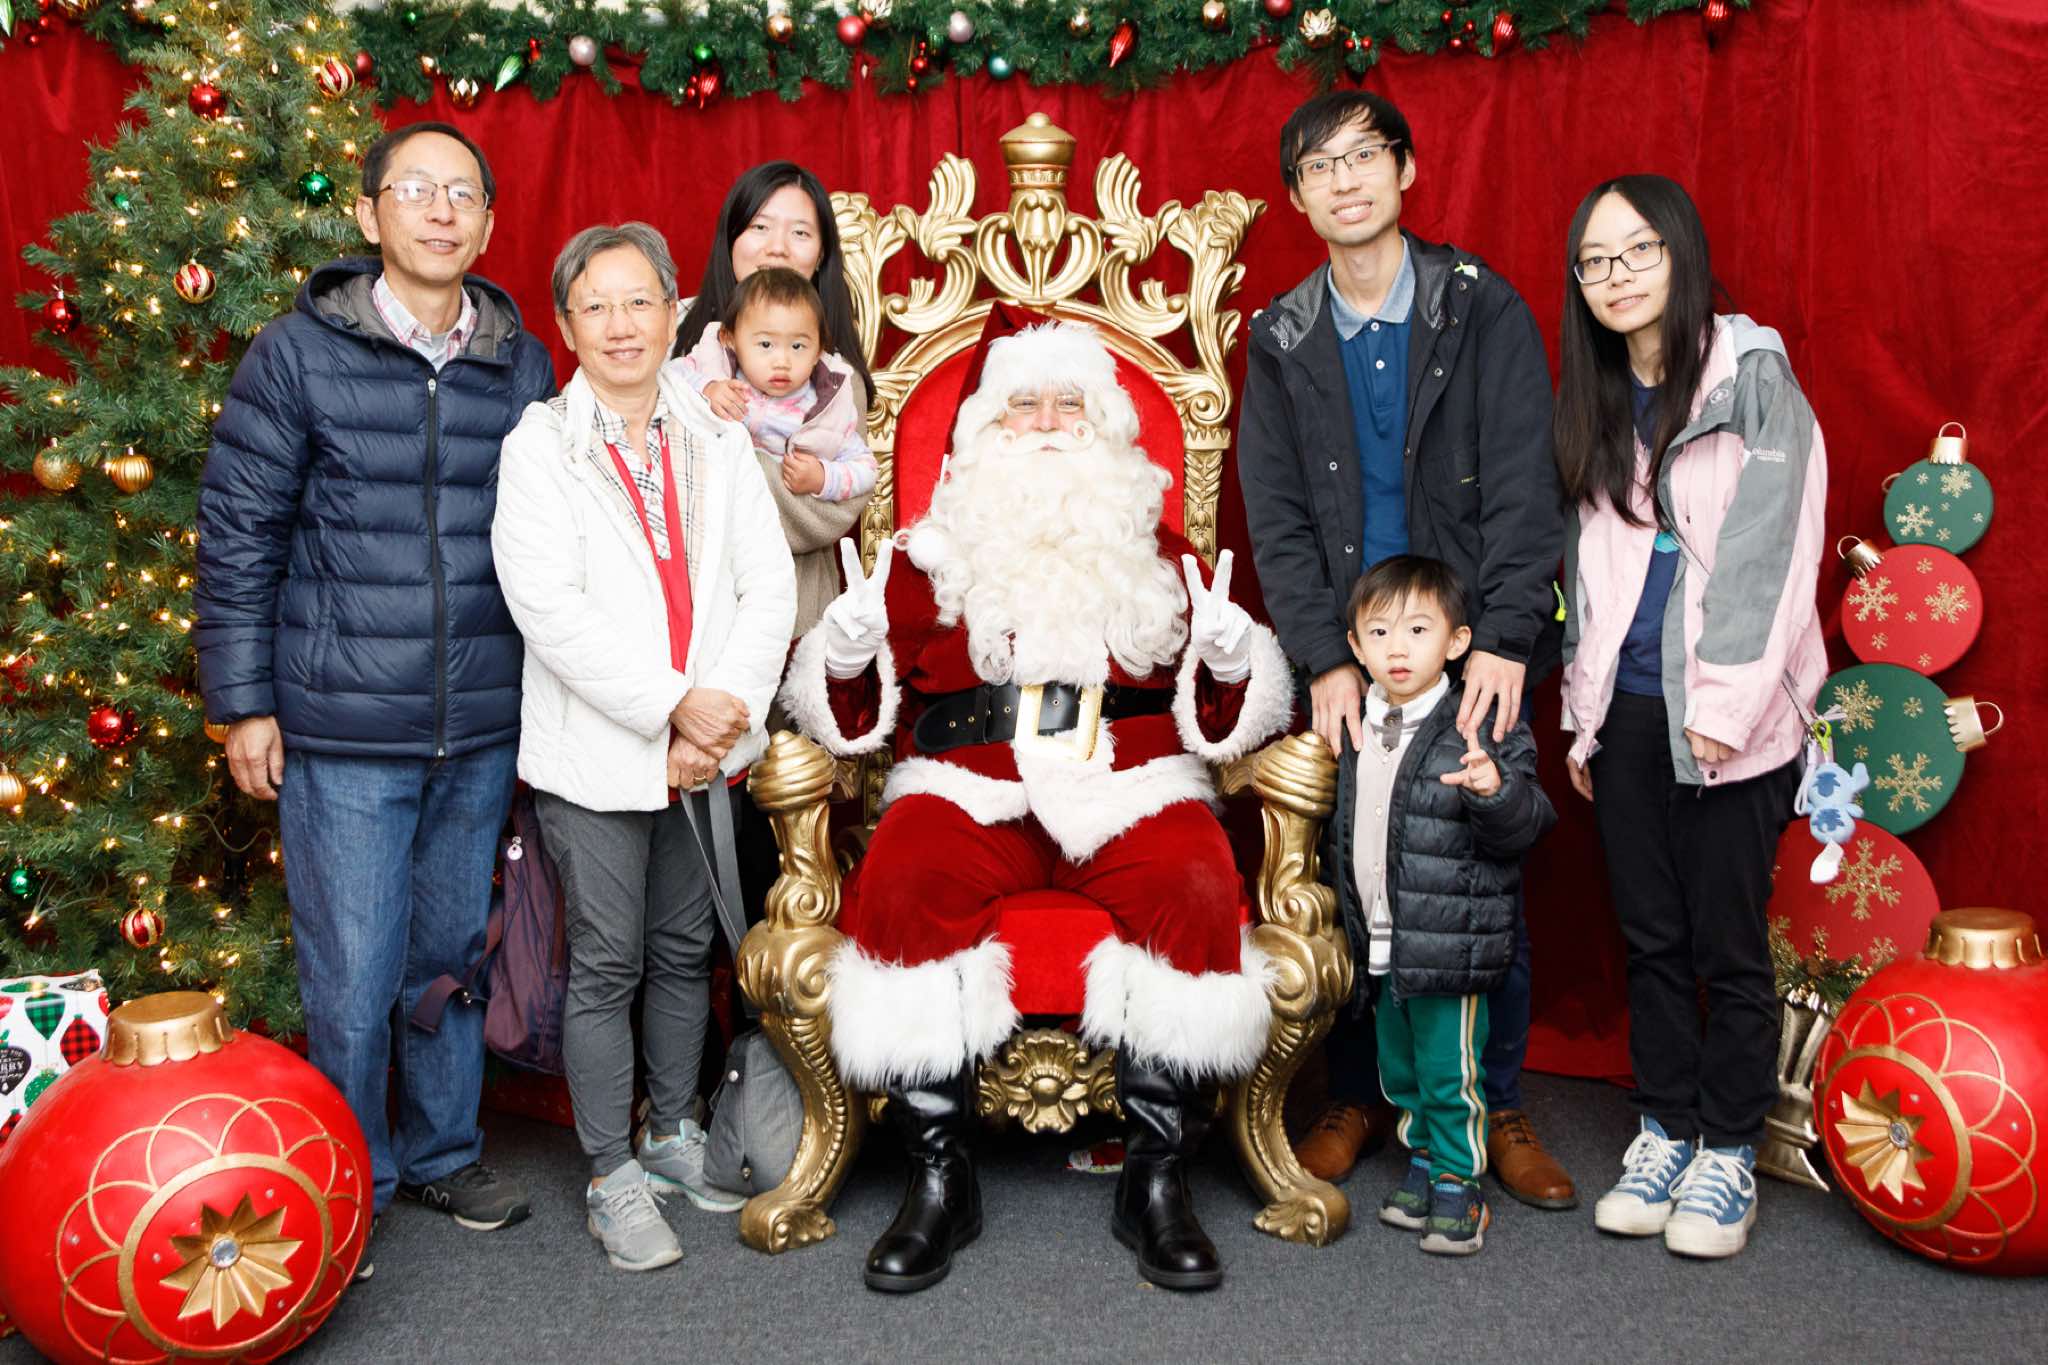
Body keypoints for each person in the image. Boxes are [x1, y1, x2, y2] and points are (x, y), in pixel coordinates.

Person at [779, 321, 1295, 1294]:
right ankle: (939, 1179)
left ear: (1106, 426)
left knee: (1195, 876)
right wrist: (842, 654)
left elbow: (1229, 720)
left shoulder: (1158, 549)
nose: (1049, 424)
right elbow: (847, 721)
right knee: (904, 873)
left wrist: (1231, 663)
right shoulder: (926, 554)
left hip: (1130, 784)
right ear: (987, 428)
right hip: (969, 786)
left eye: (1070, 405)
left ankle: (1155, 1178)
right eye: (1025, 404)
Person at [194, 122, 555, 1253]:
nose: (441, 211)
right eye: (416, 190)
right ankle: (348, 1184)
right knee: (351, 976)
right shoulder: (296, 355)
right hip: (344, 728)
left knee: (449, 961)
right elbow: (239, 532)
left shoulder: (520, 361)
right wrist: (244, 701)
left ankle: (444, 1153)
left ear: (487, 223)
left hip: (480, 723)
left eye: (463, 195)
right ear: (369, 214)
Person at [1235, 89, 1574, 1208]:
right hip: (1357, 650)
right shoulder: (1282, 337)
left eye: (1363, 156)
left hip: (1467, 641)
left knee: (1475, 869)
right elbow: (1276, 514)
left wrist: (1505, 637)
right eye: (1318, 166)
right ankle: (1357, 1095)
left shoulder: (1479, 305)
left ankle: (1495, 1101)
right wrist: (1323, 656)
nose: (1344, 180)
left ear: (1406, 169)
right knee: (1355, 870)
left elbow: (1525, 482)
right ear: (1296, 196)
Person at [492, 222, 795, 1272]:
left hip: (707, 746)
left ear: (675, 313)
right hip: (598, 752)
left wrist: (721, 716)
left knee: (681, 951)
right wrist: (671, 708)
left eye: (638, 302)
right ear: (566, 323)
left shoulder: (717, 434)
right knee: (607, 962)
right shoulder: (538, 446)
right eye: (596, 306)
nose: (620, 325)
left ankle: (671, 1132)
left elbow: (765, 587)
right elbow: (548, 610)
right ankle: (609, 1171)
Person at [1555, 175, 1825, 1260]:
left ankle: (1727, 1150)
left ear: (1681, 253)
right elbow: (1589, 572)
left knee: (1727, 945)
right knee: (1651, 939)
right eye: (1593, 261)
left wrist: (1722, 707)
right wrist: (1581, 716)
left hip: (1728, 717)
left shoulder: (1751, 376)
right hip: (1625, 711)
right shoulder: (1593, 395)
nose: (1614, 276)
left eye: (1637, 251)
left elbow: (1773, 551)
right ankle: (1664, 1128)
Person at [1326, 555, 1555, 1258]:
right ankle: (1424, 1159)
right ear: (1355, 645)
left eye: (1418, 630)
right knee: (1401, 1069)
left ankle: (1461, 1182)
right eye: (1379, 632)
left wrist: (1493, 791)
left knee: (1451, 1072)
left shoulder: (1475, 722)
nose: (1398, 648)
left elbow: (1530, 822)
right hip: (1384, 938)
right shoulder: (1357, 722)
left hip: (1449, 941)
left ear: (1457, 641)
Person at [670, 162, 873, 637]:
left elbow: (826, 514)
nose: (777, 247)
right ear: (731, 238)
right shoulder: (671, 334)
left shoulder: (834, 379)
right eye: (760, 227)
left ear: (821, 254)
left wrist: (719, 461)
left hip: (791, 610)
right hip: (673, 603)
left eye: (800, 232)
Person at [677, 265, 877, 510]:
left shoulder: (827, 411)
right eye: (765, 344)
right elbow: (667, 375)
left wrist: (822, 477)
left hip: (771, 521)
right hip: (702, 506)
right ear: (730, 339)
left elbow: (867, 469)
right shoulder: (714, 366)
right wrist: (707, 388)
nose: (782, 361)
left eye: (797, 346)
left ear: (818, 351)